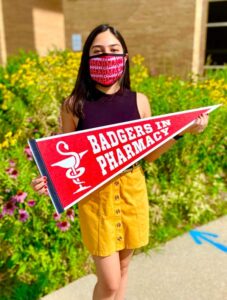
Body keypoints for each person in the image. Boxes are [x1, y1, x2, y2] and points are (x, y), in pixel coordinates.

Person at [31, 24, 209, 300]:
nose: (107, 57)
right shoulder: (74, 105)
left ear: (124, 58)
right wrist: (48, 181)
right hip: (96, 198)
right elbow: (62, 153)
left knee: (124, 268)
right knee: (110, 283)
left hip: (132, 191)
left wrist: (181, 133)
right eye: (98, 52)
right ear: (87, 59)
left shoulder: (140, 102)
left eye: (114, 51)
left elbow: (147, 154)